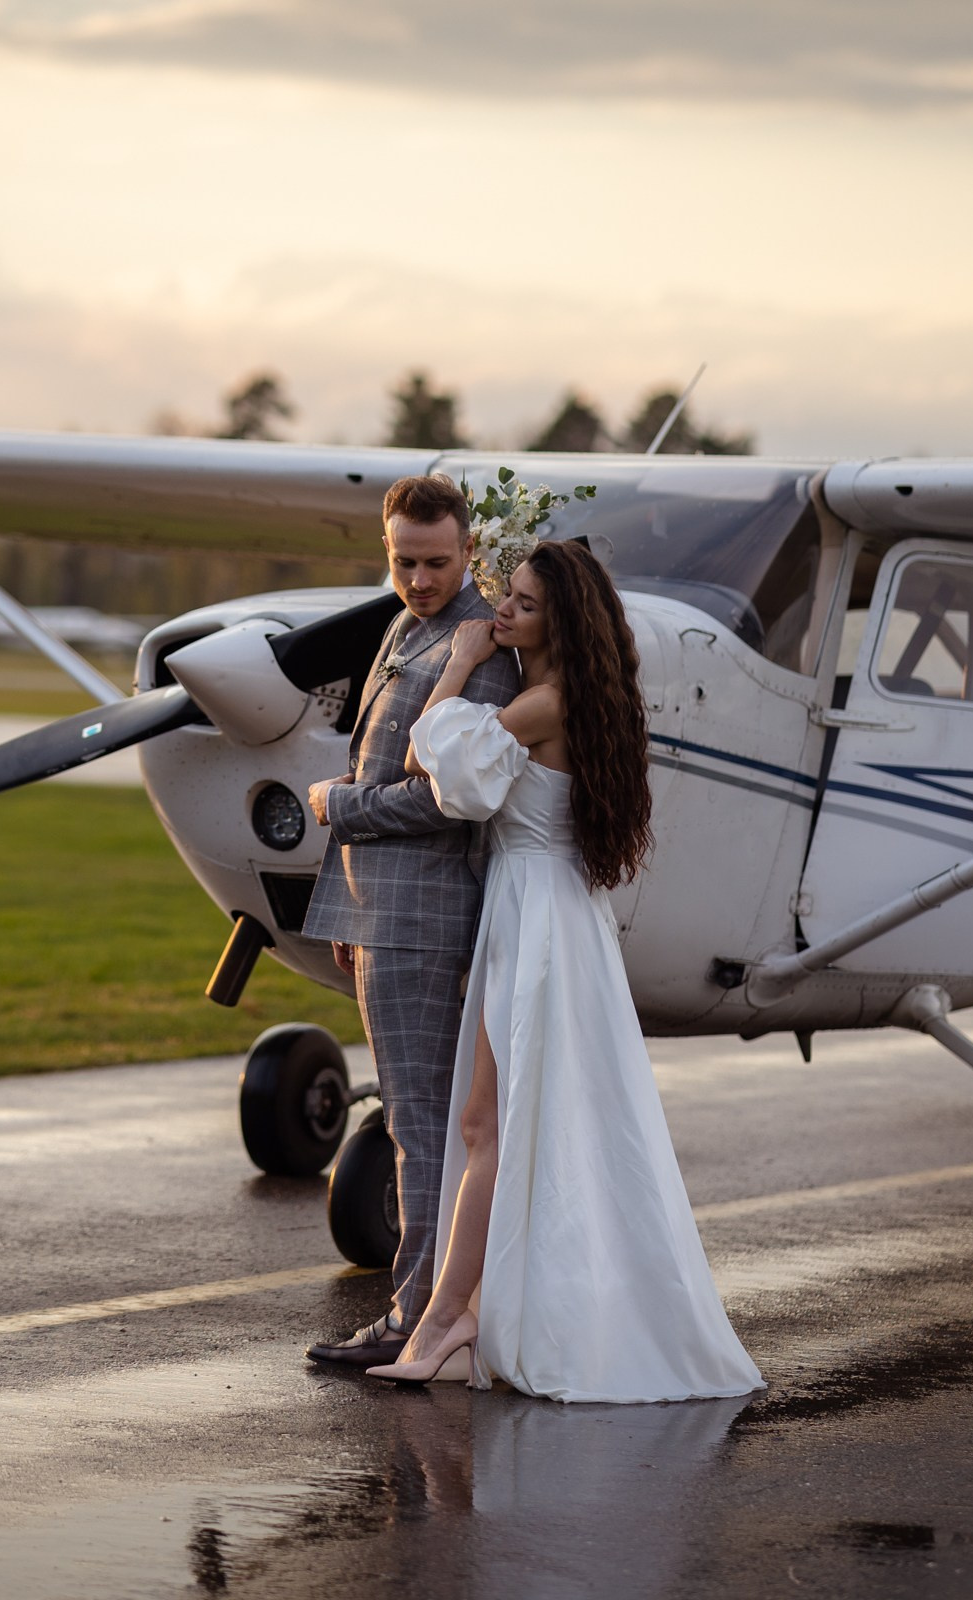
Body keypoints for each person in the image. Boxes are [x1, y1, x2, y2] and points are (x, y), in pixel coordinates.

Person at [366, 540, 763, 1403]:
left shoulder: (546, 702)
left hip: (537, 918)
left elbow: (431, 764)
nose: (502, 613)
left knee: (491, 1129)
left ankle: (444, 1319)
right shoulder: (568, 696)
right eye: (505, 598)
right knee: (486, 1125)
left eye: (524, 606)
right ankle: (461, 1314)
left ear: (563, 625)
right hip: (538, 910)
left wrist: (464, 658)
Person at [302, 474, 520, 1370]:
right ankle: (427, 1310)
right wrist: (346, 905)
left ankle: (415, 1319)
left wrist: (341, 808)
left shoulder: (483, 650)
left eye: (437, 562)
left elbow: (450, 798)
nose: (421, 578)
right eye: (404, 561)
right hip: (379, 907)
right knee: (412, 1116)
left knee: (419, 1121)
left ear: (469, 551)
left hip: (423, 914)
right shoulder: (406, 624)